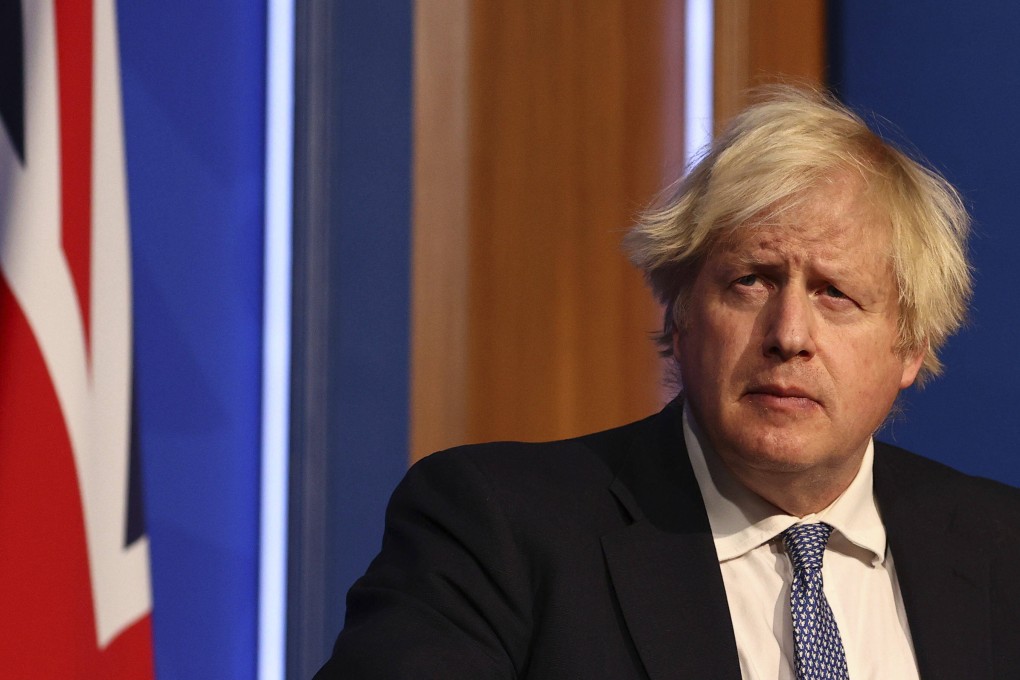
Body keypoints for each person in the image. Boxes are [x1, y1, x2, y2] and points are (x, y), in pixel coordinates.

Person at [314, 87, 1020, 679]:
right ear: (680, 311)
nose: (789, 335)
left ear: (911, 345)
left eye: (835, 293)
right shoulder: (498, 529)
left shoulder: (1001, 553)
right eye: (751, 281)